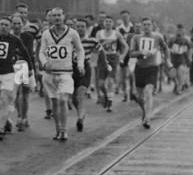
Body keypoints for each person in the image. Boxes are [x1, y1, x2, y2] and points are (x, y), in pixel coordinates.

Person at [38, 8, 85, 142]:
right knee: (54, 102)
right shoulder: (46, 34)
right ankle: (58, 129)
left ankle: (64, 131)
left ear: (64, 17)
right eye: (54, 16)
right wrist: (44, 63)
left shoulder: (72, 33)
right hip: (49, 73)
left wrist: (80, 64)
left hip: (66, 73)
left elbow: (80, 50)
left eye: (59, 15)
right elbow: (41, 52)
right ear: (50, 18)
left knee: (62, 99)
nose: (57, 18)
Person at [0, 16, 34, 141]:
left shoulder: (15, 40)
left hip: (8, 73)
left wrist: (30, 69)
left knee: (4, 99)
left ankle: (0, 129)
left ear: (10, 27)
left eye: (6, 25)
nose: (3, 27)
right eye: (1, 24)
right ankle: (6, 121)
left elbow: (25, 53)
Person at [128, 17, 171, 128]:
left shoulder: (158, 37)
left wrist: (168, 60)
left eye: (148, 24)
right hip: (139, 68)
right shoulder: (136, 38)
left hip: (152, 68)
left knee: (148, 91)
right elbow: (131, 54)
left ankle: (147, 118)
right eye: (144, 24)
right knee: (139, 96)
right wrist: (140, 52)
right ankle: (144, 111)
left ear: (152, 26)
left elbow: (166, 48)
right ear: (141, 26)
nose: (146, 26)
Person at [11, 9, 39, 131]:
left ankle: (24, 116)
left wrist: (31, 68)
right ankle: (19, 116)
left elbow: (27, 52)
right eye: (14, 23)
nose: (16, 26)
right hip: (12, 66)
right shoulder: (8, 36)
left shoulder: (27, 36)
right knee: (16, 94)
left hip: (24, 65)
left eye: (19, 23)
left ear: (23, 25)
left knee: (25, 93)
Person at [94, 14, 126, 111]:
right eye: (106, 21)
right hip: (102, 58)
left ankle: (110, 103)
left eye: (110, 22)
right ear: (103, 23)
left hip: (113, 57)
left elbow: (126, 46)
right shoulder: (99, 33)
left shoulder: (116, 34)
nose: (108, 23)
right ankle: (106, 96)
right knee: (100, 84)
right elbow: (95, 47)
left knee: (111, 81)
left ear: (112, 23)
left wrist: (122, 56)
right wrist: (104, 43)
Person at [168, 25, 192, 94]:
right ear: (176, 30)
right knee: (172, 75)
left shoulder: (185, 40)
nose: (179, 32)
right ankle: (176, 85)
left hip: (182, 59)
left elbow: (189, 49)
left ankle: (178, 89)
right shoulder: (172, 39)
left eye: (181, 30)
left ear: (183, 31)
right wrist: (169, 55)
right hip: (173, 59)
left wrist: (189, 57)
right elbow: (167, 48)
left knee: (180, 74)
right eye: (178, 30)